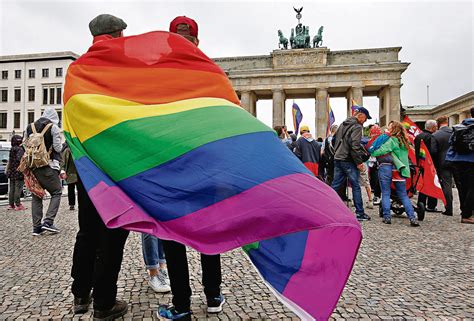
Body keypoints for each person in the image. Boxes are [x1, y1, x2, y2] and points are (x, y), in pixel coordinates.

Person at [158, 16, 225, 321]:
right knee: (209, 233)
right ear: (198, 42)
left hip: (170, 168)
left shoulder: (157, 76)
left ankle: (182, 304)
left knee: (172, 236)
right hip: (206, 167)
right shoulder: (212, 74)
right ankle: (212, 295)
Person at [69, 14, 129, 320]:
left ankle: (81, 293)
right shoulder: (123, 69)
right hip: (115, 167)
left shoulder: (76, 70)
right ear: (117, 34)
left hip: (85, 165)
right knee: (113, 233)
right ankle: (105, 302)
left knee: (87, 231)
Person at [370, 121, 420, 226]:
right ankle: (412, 217)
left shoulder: (392, 140)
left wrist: (374, 151)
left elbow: (378, 152)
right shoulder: (405, 141)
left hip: (387, 168)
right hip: (400, 169)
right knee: (403, 195)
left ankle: (387, 217)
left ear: (393, 129)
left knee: (386, 193)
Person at [25, 107, 62, 235]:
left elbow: (25, 145)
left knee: (37, 195)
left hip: (33, 167)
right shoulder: (53, 127)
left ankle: (36, 227)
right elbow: (57, 148)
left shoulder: (30, 127)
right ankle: (48, 221)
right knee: (57, 192)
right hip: (48, 166)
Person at [331, 108, 371, 221]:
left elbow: (333, 140)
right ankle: (360, 213)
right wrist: (359, 162)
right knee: (356, 186)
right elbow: (355, 145)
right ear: (361, 116)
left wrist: (337, 152)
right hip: (348, 160)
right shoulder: (357, 126)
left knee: (335, 185)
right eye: (366, 118)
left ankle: (326, 207)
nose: (365, 121)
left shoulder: (343, 124)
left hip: (338, 157)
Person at [445, 107, 474, 224]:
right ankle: (467, 215)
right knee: (472, 189)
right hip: (472, 161)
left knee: (462, 188)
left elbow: (451, 143)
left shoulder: (459, 127)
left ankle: (465, 212)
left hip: (457, 161)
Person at [414, 119, 439, 212]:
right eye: (436, 127)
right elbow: (433, 151)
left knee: (422, 184)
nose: (436, 128)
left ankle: (421, 202)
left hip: (420, 164)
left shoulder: (418, 136)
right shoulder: (431, 137)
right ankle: (431, 205)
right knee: (431, 184)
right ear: (432, 128)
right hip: (429, 165)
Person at [432, 116, 454, 216]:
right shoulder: (455, 132)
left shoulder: (436, 135)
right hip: (457, 161)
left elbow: (433, 152)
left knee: (446, 185)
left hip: (443, 162)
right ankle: (465, 210)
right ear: (447, 122)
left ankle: (449, 209)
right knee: (462, 185)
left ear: (438, 124)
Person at [7, 135, 26, 211]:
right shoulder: (20, 149)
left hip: (12, 171)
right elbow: (20, 160)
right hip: (18, 171)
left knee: (12, 188)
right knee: (18, 188)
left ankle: (11, 204)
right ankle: (18, 204)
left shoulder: (12, 148)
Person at [60, 143, 78, 211]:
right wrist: (62, 171)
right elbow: (63, 162)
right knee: (71, 189)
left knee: (72, 189)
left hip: (74, 173)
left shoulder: (68, 150)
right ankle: (72, 204)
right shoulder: (67, 150)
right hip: (71, 173)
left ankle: (72, 205)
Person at [367, 125, 382, 205]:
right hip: (372, 163)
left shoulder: (379, 140)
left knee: (376, 180)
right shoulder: (372, 141)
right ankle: (376, 196)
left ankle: (377, 196)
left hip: (377, 163)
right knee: (373, 180)